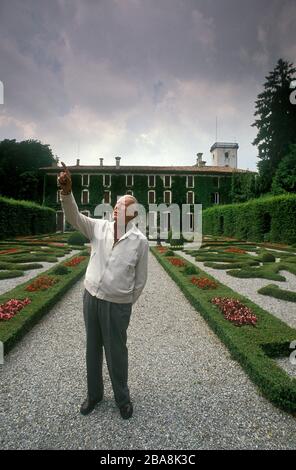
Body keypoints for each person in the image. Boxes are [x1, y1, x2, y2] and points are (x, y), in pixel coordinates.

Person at [58, 162, 149, 419]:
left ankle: (123, 398)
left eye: (123, 206)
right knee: (92, 348)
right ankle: (94, 395)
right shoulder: (99, 227)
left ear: (132, 214)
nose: (117, 207)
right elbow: (74, 217)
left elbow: (140, 281)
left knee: (117, 352)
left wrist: (124, 302)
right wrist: (66, 193)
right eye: (117, 204)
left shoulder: (140, 242)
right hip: (91, 298)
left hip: (117, 305)